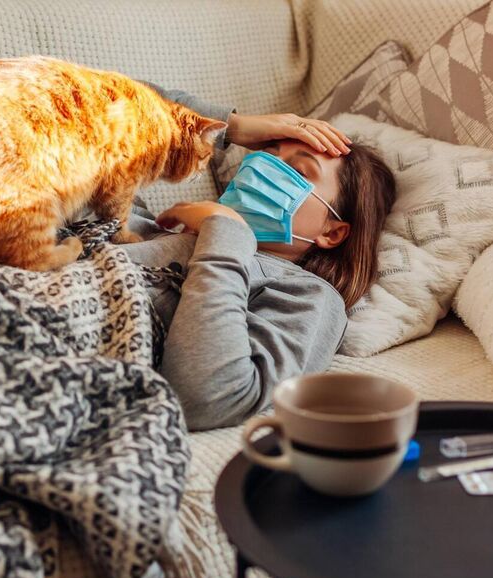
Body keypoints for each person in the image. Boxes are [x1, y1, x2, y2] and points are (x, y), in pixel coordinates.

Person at [124, 85, 397, 431]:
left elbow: (208, 398)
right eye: (267, 154)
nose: (262, 168)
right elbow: (95, 104)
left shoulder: (308, 295)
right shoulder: (136, 220)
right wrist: (233, 127)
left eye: (299, 171)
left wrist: (225, 233)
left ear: (332, 233)